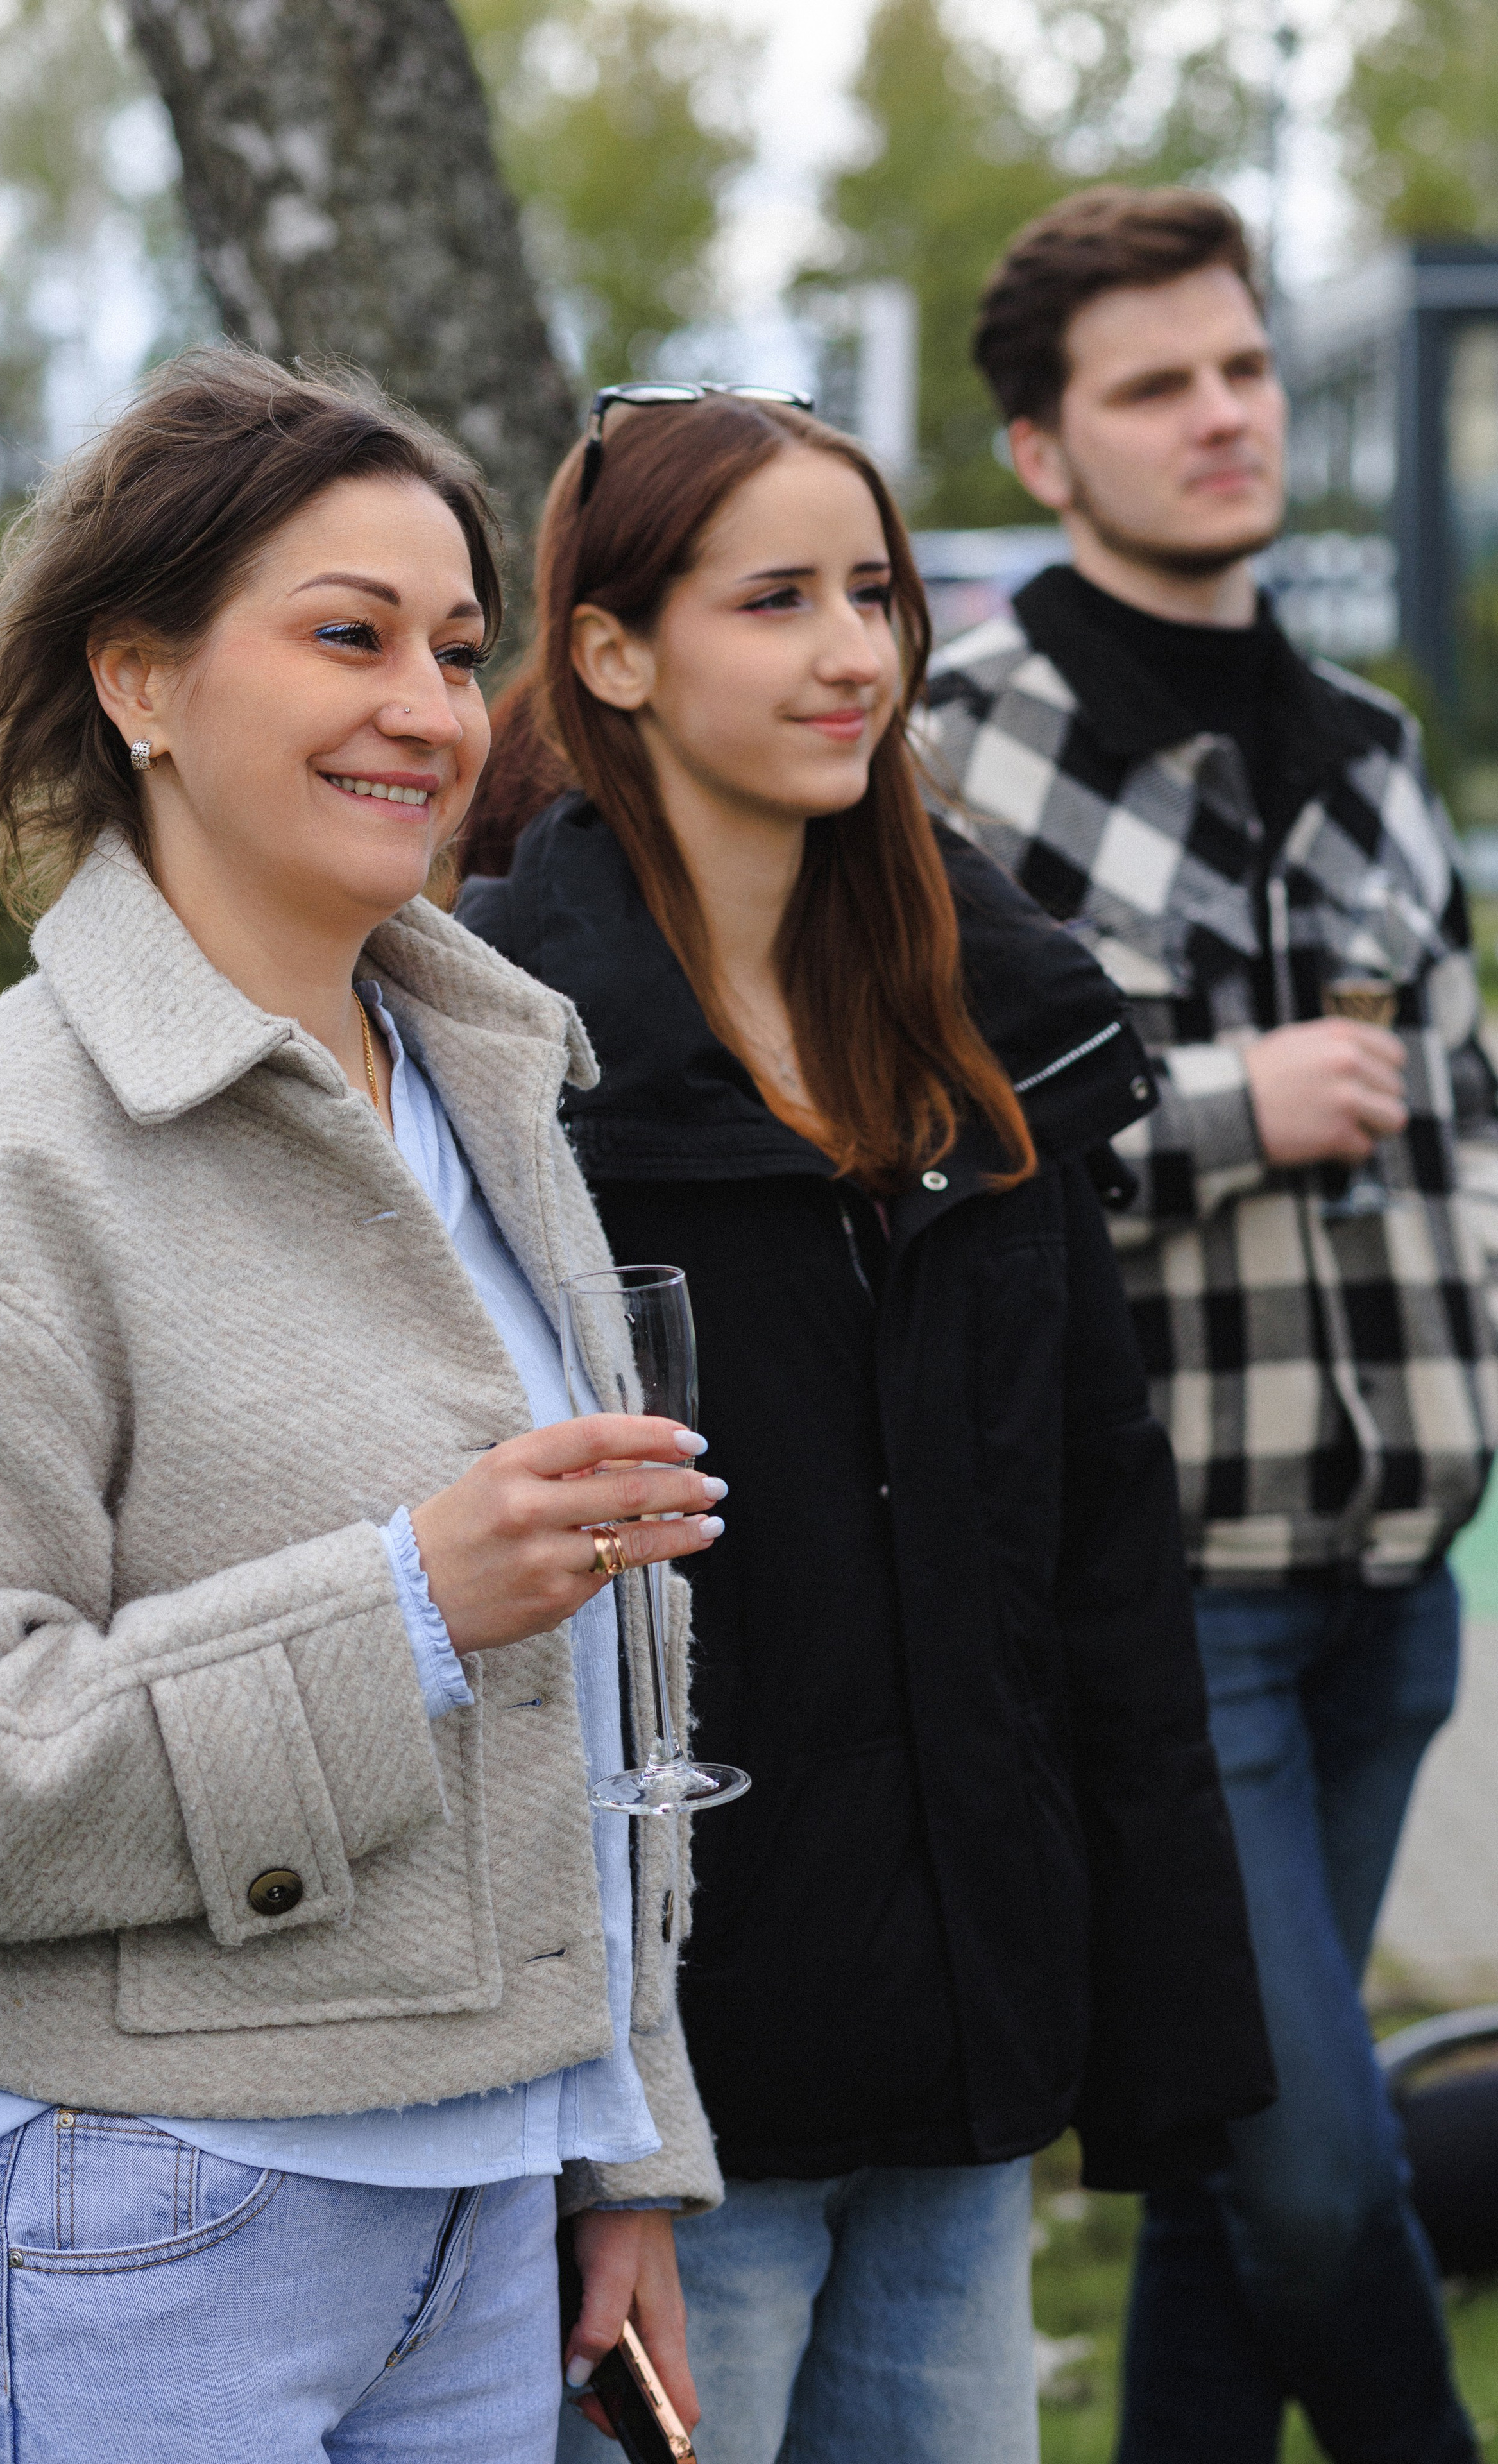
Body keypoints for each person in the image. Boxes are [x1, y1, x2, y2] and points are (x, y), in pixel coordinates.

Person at [0, 346, 731, 2463]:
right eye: (345, 637)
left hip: (488, 2225)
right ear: (139, 682)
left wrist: (613, 2144)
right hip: (143, 2224)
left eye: (452, 647)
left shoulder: (488, 1083)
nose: (430, 709)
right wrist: (402, 1607)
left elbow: (604, 1717)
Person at [455, 384, 1275, 2464]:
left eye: (877, 594)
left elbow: (1096, 1545)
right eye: (779, 600)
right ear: (617, 653)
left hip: (968, 2057)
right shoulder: (494, 1065)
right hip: (673, 2100)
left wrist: (1156, 2028)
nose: (854, 654)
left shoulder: (985, 1031)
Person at [923, 185, 1498, 2464]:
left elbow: (1457, 1110)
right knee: (1314, 2163)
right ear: (1048, 453)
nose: (1225, 415)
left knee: (1215, 2156)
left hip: (1396, 1579)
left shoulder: (1364, 732)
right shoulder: (953, 747)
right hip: (1170, 1593)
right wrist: (1239, 1102)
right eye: (1156, 386)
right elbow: (927, 1131)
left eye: (1245, 367)